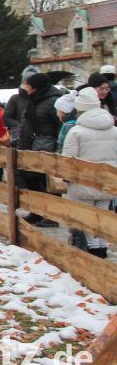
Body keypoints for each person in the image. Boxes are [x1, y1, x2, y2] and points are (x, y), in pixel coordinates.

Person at [61, 87, 117, 258]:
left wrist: (66, 178)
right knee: (101, 213)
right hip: (107, 180)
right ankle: (101, 247)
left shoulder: (76, 131)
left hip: (83, 181)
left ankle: (93, 250)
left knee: (86, 217)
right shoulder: (114, 130)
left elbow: (68, 160)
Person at [19, 72, 63, 227]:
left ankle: (51, 216)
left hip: (46, 147)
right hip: (31, 146)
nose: (25, 87)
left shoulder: (53, 101)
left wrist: (58, 148)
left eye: (28, 84)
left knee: (47, 182)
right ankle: (37, 211)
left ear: (35, 87)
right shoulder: (33, 100)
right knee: (31, 179)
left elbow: (60, 126)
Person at [4, 65, 40, 147]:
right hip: (18, 138)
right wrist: (22, 126)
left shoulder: (40, 98)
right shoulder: (15, 98)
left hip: (37, 140)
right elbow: (6, 118)